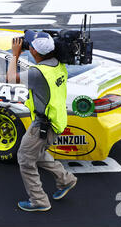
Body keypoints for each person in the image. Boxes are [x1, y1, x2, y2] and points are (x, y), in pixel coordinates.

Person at [7, 31, 77, 212]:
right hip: (56, 121)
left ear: (34, 51)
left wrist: (15, 55)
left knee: (24, 158)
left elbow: (10, 78)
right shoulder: (58, 64)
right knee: (37, 153)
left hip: (42, 126)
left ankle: (39, 201)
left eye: (29, 45)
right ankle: (66, 180)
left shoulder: (37, 73)